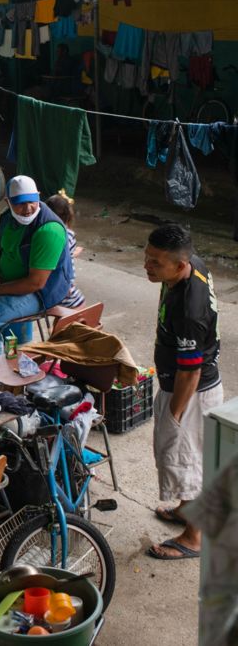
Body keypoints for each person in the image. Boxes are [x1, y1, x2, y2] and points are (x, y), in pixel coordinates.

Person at [144, 224, 223, 560]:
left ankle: (193, 537)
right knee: (185, 461)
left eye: (155, 263)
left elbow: (189, 372)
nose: (147, 266)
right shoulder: (190, 265)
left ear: (179, 265)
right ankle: (184, 510)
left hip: (191, 391)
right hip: (188, 383)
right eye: (146, 257)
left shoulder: (190, 310)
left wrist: (174, 415)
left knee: (187, 461)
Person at [0, 175, 73, 362]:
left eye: (32, 202)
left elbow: (35, 283)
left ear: (38, 196)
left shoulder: (48, 230)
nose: (27, 209)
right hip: (11, 282)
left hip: (42, 293)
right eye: (19, 204)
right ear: (8, 202)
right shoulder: (7, 218)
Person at [45, 190, 86, 309]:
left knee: (65, 315)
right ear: (68, 215)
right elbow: (62, 261)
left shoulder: (42, 231)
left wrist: (74, 252)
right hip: (59, 287)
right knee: (80, 306)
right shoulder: (66, 235)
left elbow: (60, 254)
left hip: (43, 284)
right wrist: (66, 285)